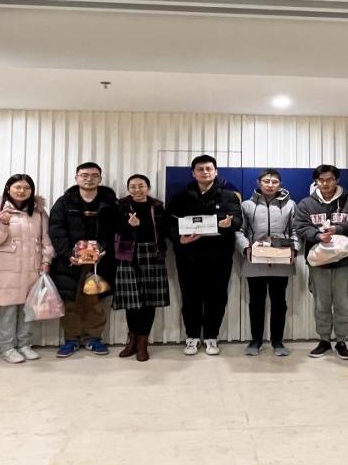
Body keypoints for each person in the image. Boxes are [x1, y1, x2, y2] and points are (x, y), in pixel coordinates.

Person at [167, 155, 242, 356]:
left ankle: (211, 337)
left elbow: (238, 221)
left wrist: (229, 224)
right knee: (190, 298)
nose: (205, 172)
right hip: (188, 257)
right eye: (200, 169)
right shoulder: (181, 197)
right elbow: (169, 224)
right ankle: (192, 337)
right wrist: (179, 240)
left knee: (216, 298)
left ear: (216, 171)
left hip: (219, 257)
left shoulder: (229, 196)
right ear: (193, 173)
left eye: (209, 168)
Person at [294, 164, 348, 359]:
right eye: (321, 180)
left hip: (345, 263)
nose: (325, 183)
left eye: (330, 179)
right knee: (321, 304)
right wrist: (318, 235)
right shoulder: (306, 204)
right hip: (318, 263)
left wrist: (339, 229)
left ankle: (341, 341)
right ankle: (324, 340)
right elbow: (300, 227)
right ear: (316, 181)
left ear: (337, 180)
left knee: (343, 303)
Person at [48, 162, 119, 357]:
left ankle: (94, 338)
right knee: (70, 301)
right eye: (84, 175)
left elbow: (114, 231)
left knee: (96, 302)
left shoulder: (110, 203)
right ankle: (71, 339)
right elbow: (56, 230)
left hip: (100, 262)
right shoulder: (64, 202)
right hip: (70, 263)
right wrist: (69, 254)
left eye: (94, 175)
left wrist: (103, 251)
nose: (89, 179)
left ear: (100, 179)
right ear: (76, 178)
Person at [0, 173, 53, 364]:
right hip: (6, 270)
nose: (22, 191)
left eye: (27, 188)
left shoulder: (38, 212)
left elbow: (46, 239)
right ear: (8, 188)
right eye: (18, 187)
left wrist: (46, 260)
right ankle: (7, 347)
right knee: (8, 310)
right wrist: (3, 223)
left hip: (32, 268)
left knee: (29, 309)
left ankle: (24, 344)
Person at [235, 169, 297, 356]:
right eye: (266, 181)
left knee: (279, 303)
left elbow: (296, 230)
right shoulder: (247, 205)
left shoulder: (290, 205)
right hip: (255, 261)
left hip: (281, 261)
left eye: (274, 182)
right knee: (256, 302)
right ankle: (256, 341)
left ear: (280, 184)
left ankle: (278, 342)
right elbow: (239, 230)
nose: (270, 185)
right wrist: (245, 248)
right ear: (258, 183)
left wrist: (294, 249)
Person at [113, 174, 171, 362]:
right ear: (128, 189)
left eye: (141, 186)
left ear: (148, 187)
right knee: (132, 301)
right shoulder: (120, 205)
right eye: (133, 186)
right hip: (128, 255)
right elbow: (112, 228)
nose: (137, 190)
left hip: (153, 254)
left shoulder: (157, 206)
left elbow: (165, 229)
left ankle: (142, 343)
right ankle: (132, 340)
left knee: (149, 301)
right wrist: (128, 225)